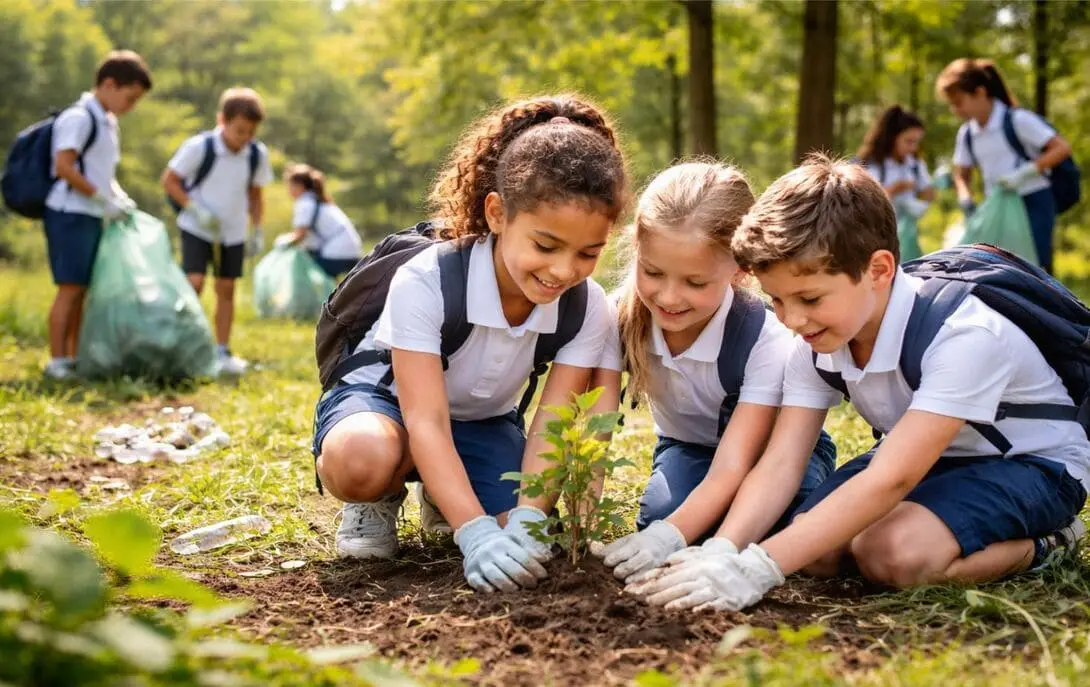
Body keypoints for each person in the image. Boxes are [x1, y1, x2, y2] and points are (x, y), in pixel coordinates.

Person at [626, 155, 1089, 611]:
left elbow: (893, 477)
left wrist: (759, 568)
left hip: (1031, 464)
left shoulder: (965, 336)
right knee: (817, 550)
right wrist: (723, 550)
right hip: (932, 457)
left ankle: (1049, 543)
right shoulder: (814, 338)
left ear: (879, 270)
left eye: (809, 298)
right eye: (777, 300)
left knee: (895, 555)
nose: (791, 319)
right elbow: (783, 462)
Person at [311, 95, 628, 593]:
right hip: (390, 407)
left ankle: (446, 493)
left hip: (482, 420)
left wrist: (527, 520)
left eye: (589, 252)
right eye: (545, 246)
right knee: (361, 459)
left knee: (520, 531)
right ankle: (381, 496)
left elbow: (551, 423)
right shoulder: (428, 278)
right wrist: (474, 532)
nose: (564, 270)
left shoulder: (586, 306)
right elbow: (426, 421)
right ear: (498, 213)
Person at [592, 161, 835, 583]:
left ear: (741, 269)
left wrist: (673, 538)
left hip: (773, 455)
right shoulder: (617, 318)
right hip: (688, 448)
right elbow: (595, 431)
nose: (668, 296)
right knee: (663, 519)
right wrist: (585, 524)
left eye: (695, 282)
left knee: (786, 525)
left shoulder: (766, 338)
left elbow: (735, 464)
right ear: (637, 251)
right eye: (652, 273)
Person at [42, 50, 152, 380]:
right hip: (69, 211)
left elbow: (102, 172)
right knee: (70, 287)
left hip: (91, 213)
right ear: (108, 84)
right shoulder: (78, 118)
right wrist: (102, 198)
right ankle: (57, 360)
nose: (130, 106)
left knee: (82, 288)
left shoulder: (107, 122)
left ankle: (73, 358)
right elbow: (63, 167)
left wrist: (118, 198)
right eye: (129, 97)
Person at [162, 87, 274, 376]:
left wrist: (257, 228)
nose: (244, 138)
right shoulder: (200, 147)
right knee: (195, 282)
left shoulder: (255, 154)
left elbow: (255, 194)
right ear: (221, 120)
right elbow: (170, 180)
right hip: (198, 226)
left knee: (226, 289)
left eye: (250, 132)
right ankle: (180, 343)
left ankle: (221, 349)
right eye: (239, 131)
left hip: (232, 231)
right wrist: (194, 209)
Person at [938, 58, 1074, 274]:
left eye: (959, 101)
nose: (955, 109)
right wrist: (965, 197)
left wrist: (1024, 173)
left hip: (1032, 200)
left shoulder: (1017, 120)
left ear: (980, 92)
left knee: (1034, 267)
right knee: (1000, 268)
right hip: (997, 205)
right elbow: (961, 173)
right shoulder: (967, 134)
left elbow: (1061, 148)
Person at [276, 163, 362, 279]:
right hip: (352, 251)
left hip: (336, 254)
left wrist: (281, 242)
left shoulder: (305, 203)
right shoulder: (318, 200)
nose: (288, 190)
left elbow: (300, 235)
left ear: (300, 186)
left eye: (290, 186)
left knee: (302, 273)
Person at [857, 105, 935, 222]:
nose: (914, 148)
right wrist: (894, 189)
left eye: (917, 142)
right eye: (909, 141)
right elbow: (864, 205)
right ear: (892, 137)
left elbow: (929, 195)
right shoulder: (870, 164)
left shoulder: (915, 164)